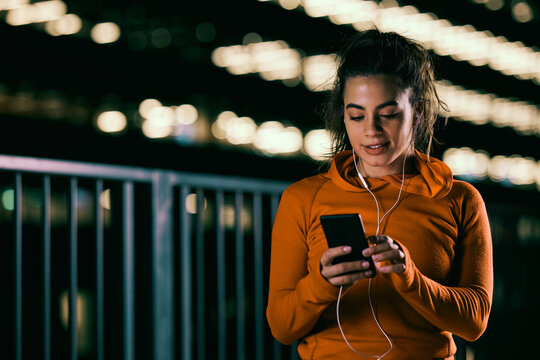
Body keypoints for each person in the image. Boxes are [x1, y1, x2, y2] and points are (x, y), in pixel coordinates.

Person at [266, 28, 493, 359]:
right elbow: (282, 328)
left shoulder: (460, 199)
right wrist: (322, 284)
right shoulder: (303, 198)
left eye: (388, 114)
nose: (371, 129)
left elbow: (474, 321)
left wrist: (409, 277)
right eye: (356, 115)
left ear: (417, 111)